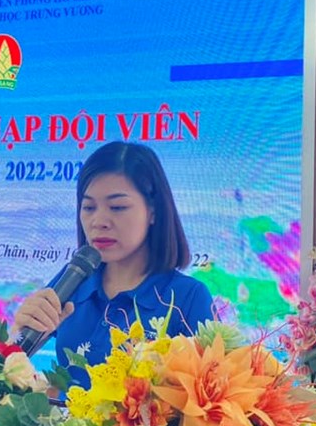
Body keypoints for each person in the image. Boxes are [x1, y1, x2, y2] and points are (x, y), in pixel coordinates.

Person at [13, 141, 214, 389]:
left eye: (117, 207)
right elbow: (13, 358)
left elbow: (209, 396)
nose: (98, 221)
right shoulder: (74, 278)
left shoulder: (188, 297)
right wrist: (19, 332)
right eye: (88, 207)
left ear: (153, 211)